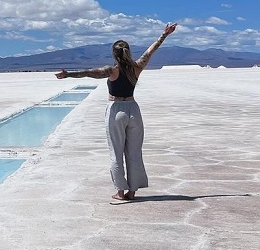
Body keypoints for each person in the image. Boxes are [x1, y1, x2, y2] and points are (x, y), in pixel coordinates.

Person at [56, 23, 177, 203]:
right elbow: (151, 51)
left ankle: (120, 192)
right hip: (133, 109)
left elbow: (89, 73)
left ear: (114, 53)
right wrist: (164, 35)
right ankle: (132, 192)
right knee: (134, 152)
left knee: (116, 152)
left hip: (116, 110)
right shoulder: (137, 67)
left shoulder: (111, 70)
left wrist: (68, 75)